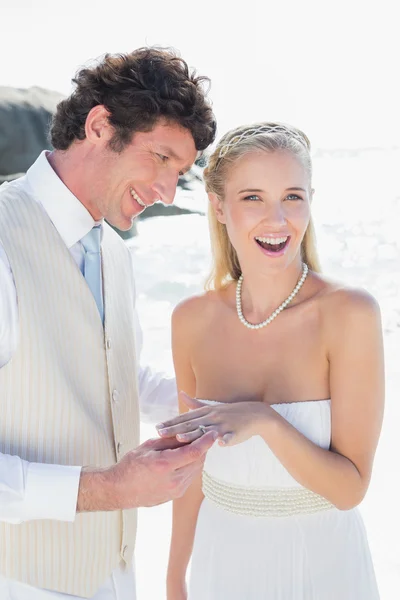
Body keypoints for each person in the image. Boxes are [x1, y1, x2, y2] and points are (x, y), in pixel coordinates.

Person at [0, 47, 217, 599]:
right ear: (100, 125)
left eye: (181, 172)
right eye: (161, 158)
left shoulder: (113, 252)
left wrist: (222, 408)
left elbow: (120, 375)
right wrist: (109, 489)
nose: (169, 191)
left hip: (115, 576)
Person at [159, 122, 384, 599]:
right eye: (253, 198)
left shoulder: (349, 314)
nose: (278, 220)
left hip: (323, 571)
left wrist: (266, 421)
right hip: (221, 568)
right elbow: (190, 470)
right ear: (219, 206)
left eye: (293, 197)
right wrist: (175, 579)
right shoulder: (191, 320)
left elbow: (350, 490)